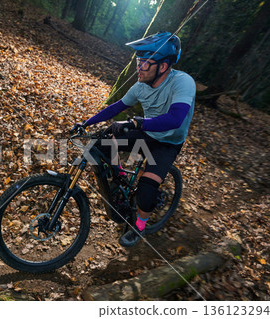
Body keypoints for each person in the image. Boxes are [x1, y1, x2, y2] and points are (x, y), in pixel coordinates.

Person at [72, 31, 196, 247]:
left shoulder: (183, 82)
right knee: (101, 144)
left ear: (163, 66)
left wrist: (136, 123)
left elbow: (176, 119)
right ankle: (119, 176)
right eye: (138, 61)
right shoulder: (140, 86)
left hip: (168, 143)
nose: (139, 67)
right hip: (148, 133)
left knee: (147, 189)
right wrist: (86, 123)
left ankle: (139, 226)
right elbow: (117, 107)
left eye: (145, 63)